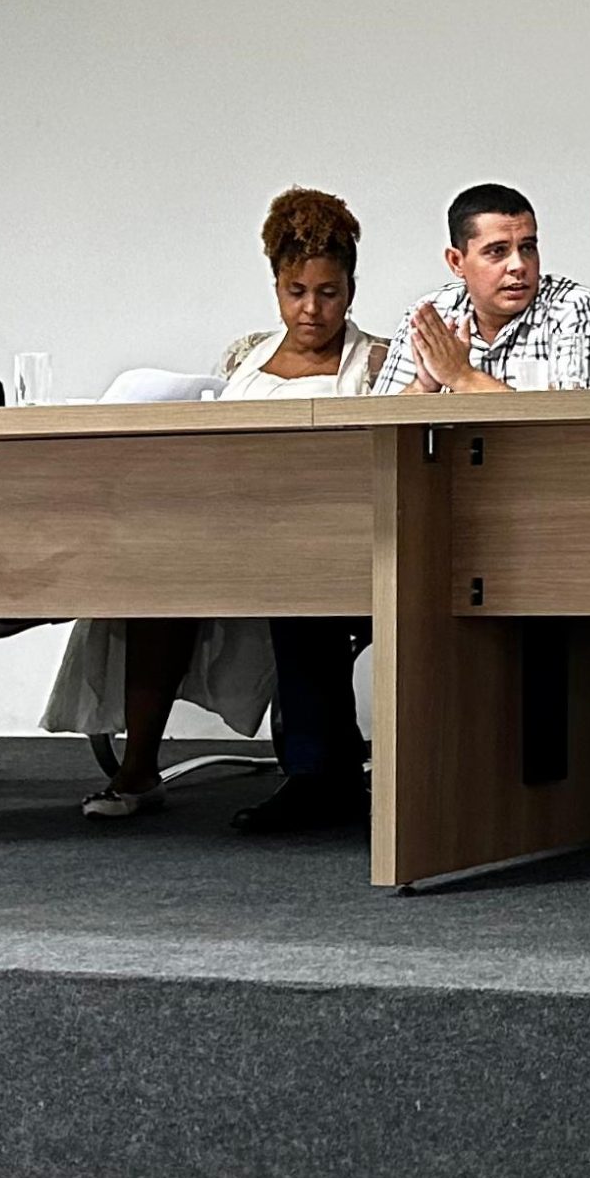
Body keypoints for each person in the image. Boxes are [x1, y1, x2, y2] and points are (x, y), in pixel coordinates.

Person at [52, 188, 387, 830]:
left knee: (297, 586)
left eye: (329, 292)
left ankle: (318, 773)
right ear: (275, 285)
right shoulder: (244, 356)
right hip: (232, 525)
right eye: (296, 291)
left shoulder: (376, 361)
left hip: (327, 535)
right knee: (156, 580)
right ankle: (138, 768)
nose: (312, 309)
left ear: (351, 288)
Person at [369, 183, 590, 395]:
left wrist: (461, 376)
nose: (518, 265)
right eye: (497, 251)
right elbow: (380, 428)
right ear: (456, 262)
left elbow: (581, 426)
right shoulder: (432, 314)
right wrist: (424, 386)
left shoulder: (576, 310)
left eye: (527, 248)